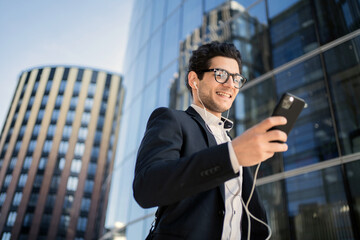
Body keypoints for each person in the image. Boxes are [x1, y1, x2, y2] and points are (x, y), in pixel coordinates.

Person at [133, 41, 288, 240]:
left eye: (236, 78)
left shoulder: (230, 140)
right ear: (194, 80)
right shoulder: (172, 120)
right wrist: (232, 155)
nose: (230, 84)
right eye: (220, 74)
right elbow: (147, 187)